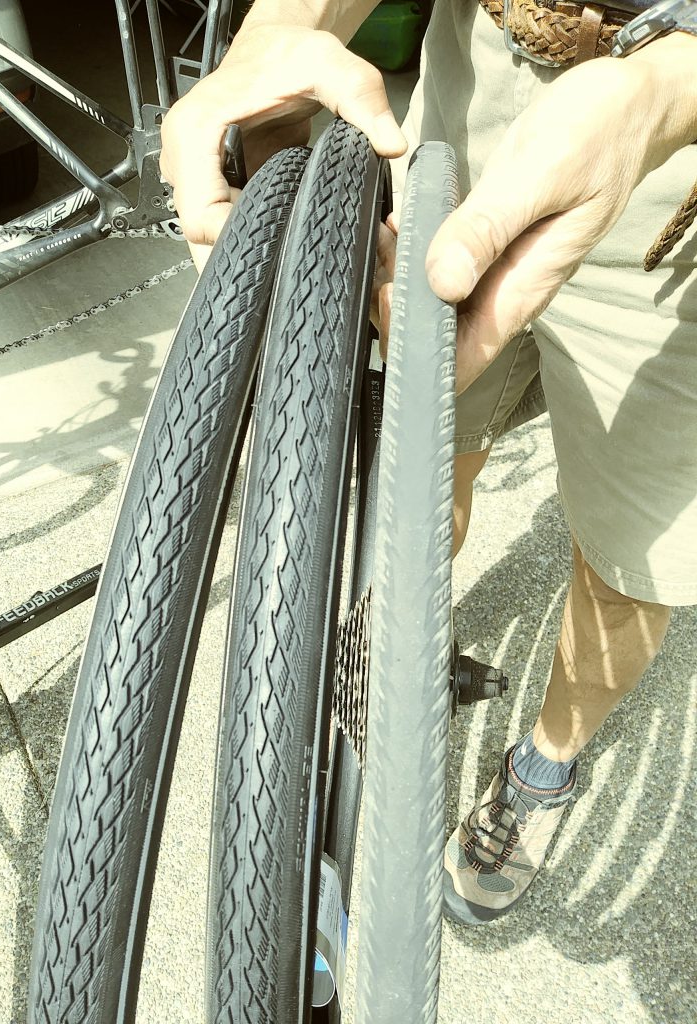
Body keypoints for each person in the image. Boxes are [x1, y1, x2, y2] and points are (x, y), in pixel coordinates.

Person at [159, 0, 697, 926]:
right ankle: (401, 632)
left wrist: (667, 87)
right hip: (474, 92)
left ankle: (543, 769)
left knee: (630, 564)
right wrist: (279, 32)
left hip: (674, 211)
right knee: (421, 460)